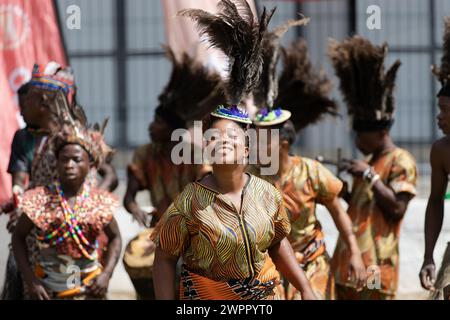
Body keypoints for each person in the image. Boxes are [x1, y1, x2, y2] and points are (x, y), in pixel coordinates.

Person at [153, 0, 315, 300]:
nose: (222, 142)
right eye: (213, 139)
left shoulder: (268, 195)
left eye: (231, 138)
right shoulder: (190, 202)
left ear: (248, 148)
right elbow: (164, 258)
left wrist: (305, 288)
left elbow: (279, 243)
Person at [251, 39, 366, 300]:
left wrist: (355, 255)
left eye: (261, 138)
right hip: (269, 266)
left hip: (313, 263)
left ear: (283, 142)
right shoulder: (251, 176)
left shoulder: (311, 171)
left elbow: (338, 212)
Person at [1, 63, 117, 300]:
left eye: (29, 98)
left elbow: (86, 201)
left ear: (44, 100)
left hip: (73, 267)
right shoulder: (45, 140)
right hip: (41, 263)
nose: (22, 106)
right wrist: (22, 207)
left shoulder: (72, 146)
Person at [122, 46, 225, 299]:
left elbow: (207, 187)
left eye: (157, 122)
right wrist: (134, 208)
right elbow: (129, 195)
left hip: (193, 226)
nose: (150, 126)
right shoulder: (144, 154)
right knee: (135, 258)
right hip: (160, 228)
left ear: (171, 128)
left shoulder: (193, 154)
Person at [328, 35, 418, 299]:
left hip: (376, 269)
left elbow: (397, 208)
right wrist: (343, 191)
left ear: (380, 133)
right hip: (347, 265)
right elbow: (360, 209)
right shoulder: (367, 163)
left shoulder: (402, 161)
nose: (356, 141)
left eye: (360, 135)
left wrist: (368, 175)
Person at [12, 121, 122, 300]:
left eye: (76, 160)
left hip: (90, 293)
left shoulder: (98, 201)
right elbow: (18, 237)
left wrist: (106, 275)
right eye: (64, 159)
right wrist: (32, 281)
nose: (69, 165)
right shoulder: (40, 200)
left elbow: (115, 237)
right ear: (56, 163)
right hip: (49, 292)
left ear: (89, 164)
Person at [420, 16, 450, 300]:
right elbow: (435, 201)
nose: (438, 117)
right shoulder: (442, 150)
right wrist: (429, 256)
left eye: (444, 109)